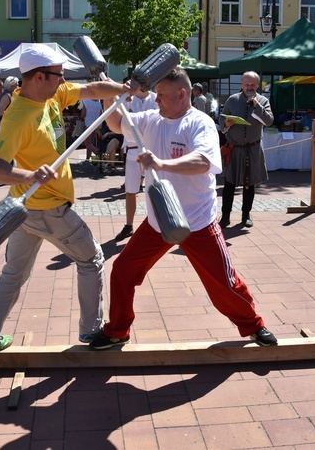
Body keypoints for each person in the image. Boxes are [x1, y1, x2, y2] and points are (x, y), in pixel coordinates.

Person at [88, 68, 277, 350]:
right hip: (159, 221)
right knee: (123, 270)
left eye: (161, 95)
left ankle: (253, 325)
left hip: (197, 222)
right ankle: (118, 330)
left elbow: (202, 161)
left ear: (182, 94)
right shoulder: (153, 118)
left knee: (223, 285)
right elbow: (116, 123)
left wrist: (161, 164)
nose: (156, 101)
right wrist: (111, 94)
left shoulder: (199, 123)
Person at [0, 43, 134, 364]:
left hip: (26, 210)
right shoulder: (18, 116)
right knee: (92, 259)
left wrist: (123, 88)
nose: (63, 81)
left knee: (13, 274)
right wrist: (30, 175)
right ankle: (91, 330)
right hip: (46, 208)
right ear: (39, 76)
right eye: (58, 76)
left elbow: (90, 89)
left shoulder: (52, 95)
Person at [218, 71, 274, 228]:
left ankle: (246, 215)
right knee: (229, 184)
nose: (250, 87)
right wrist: (226, 124)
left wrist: (257, 106)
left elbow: (269, 121)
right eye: (247, 84)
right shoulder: (232, 100)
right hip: (234, 148)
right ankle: (225, 216)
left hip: (253, 149)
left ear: (257, 85)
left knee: (250, 185)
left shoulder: (263, 100)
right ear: (242, 85)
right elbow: (222, 118)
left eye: (253, 85)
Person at [115, 87, 157, 242]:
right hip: (132, 150)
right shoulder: (126, 99)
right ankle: (129, 225)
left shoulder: (155, 98)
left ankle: (155, 225)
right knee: (130, 190)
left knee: (152, 190)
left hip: (150, 150)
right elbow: (120, 123)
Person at [80, 97, 103, 162]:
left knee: (87, 143)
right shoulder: (99, 103)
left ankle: (98, 153)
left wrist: (81, 117)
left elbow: (83, 114)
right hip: (96, 125)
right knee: (91, 142)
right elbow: (101, 114)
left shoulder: (86, 101)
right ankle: (87, 158)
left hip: (88, 124)